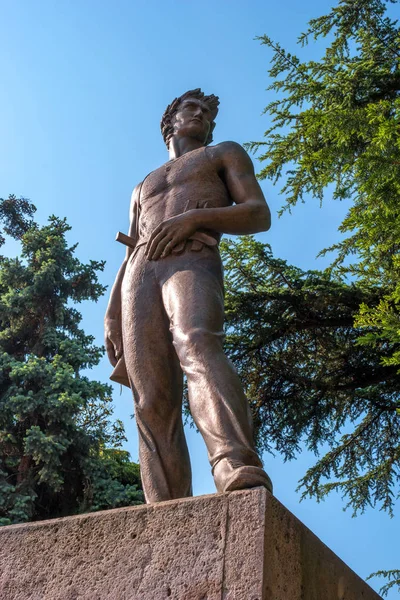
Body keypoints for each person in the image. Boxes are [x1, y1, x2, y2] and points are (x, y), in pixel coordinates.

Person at [104, 88, 273, 503]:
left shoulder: (222, 154)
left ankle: (236, 466)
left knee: (197, 344)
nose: (199, 114)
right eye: (189, 108)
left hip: (192, 254)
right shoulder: (141, 186)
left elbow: (257, 213)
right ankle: (163, 506)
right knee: (149, 395)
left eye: (205, 112)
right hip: (139, 275)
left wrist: (194, 218)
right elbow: (130, 251)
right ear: (170, 121)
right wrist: (112, 312)